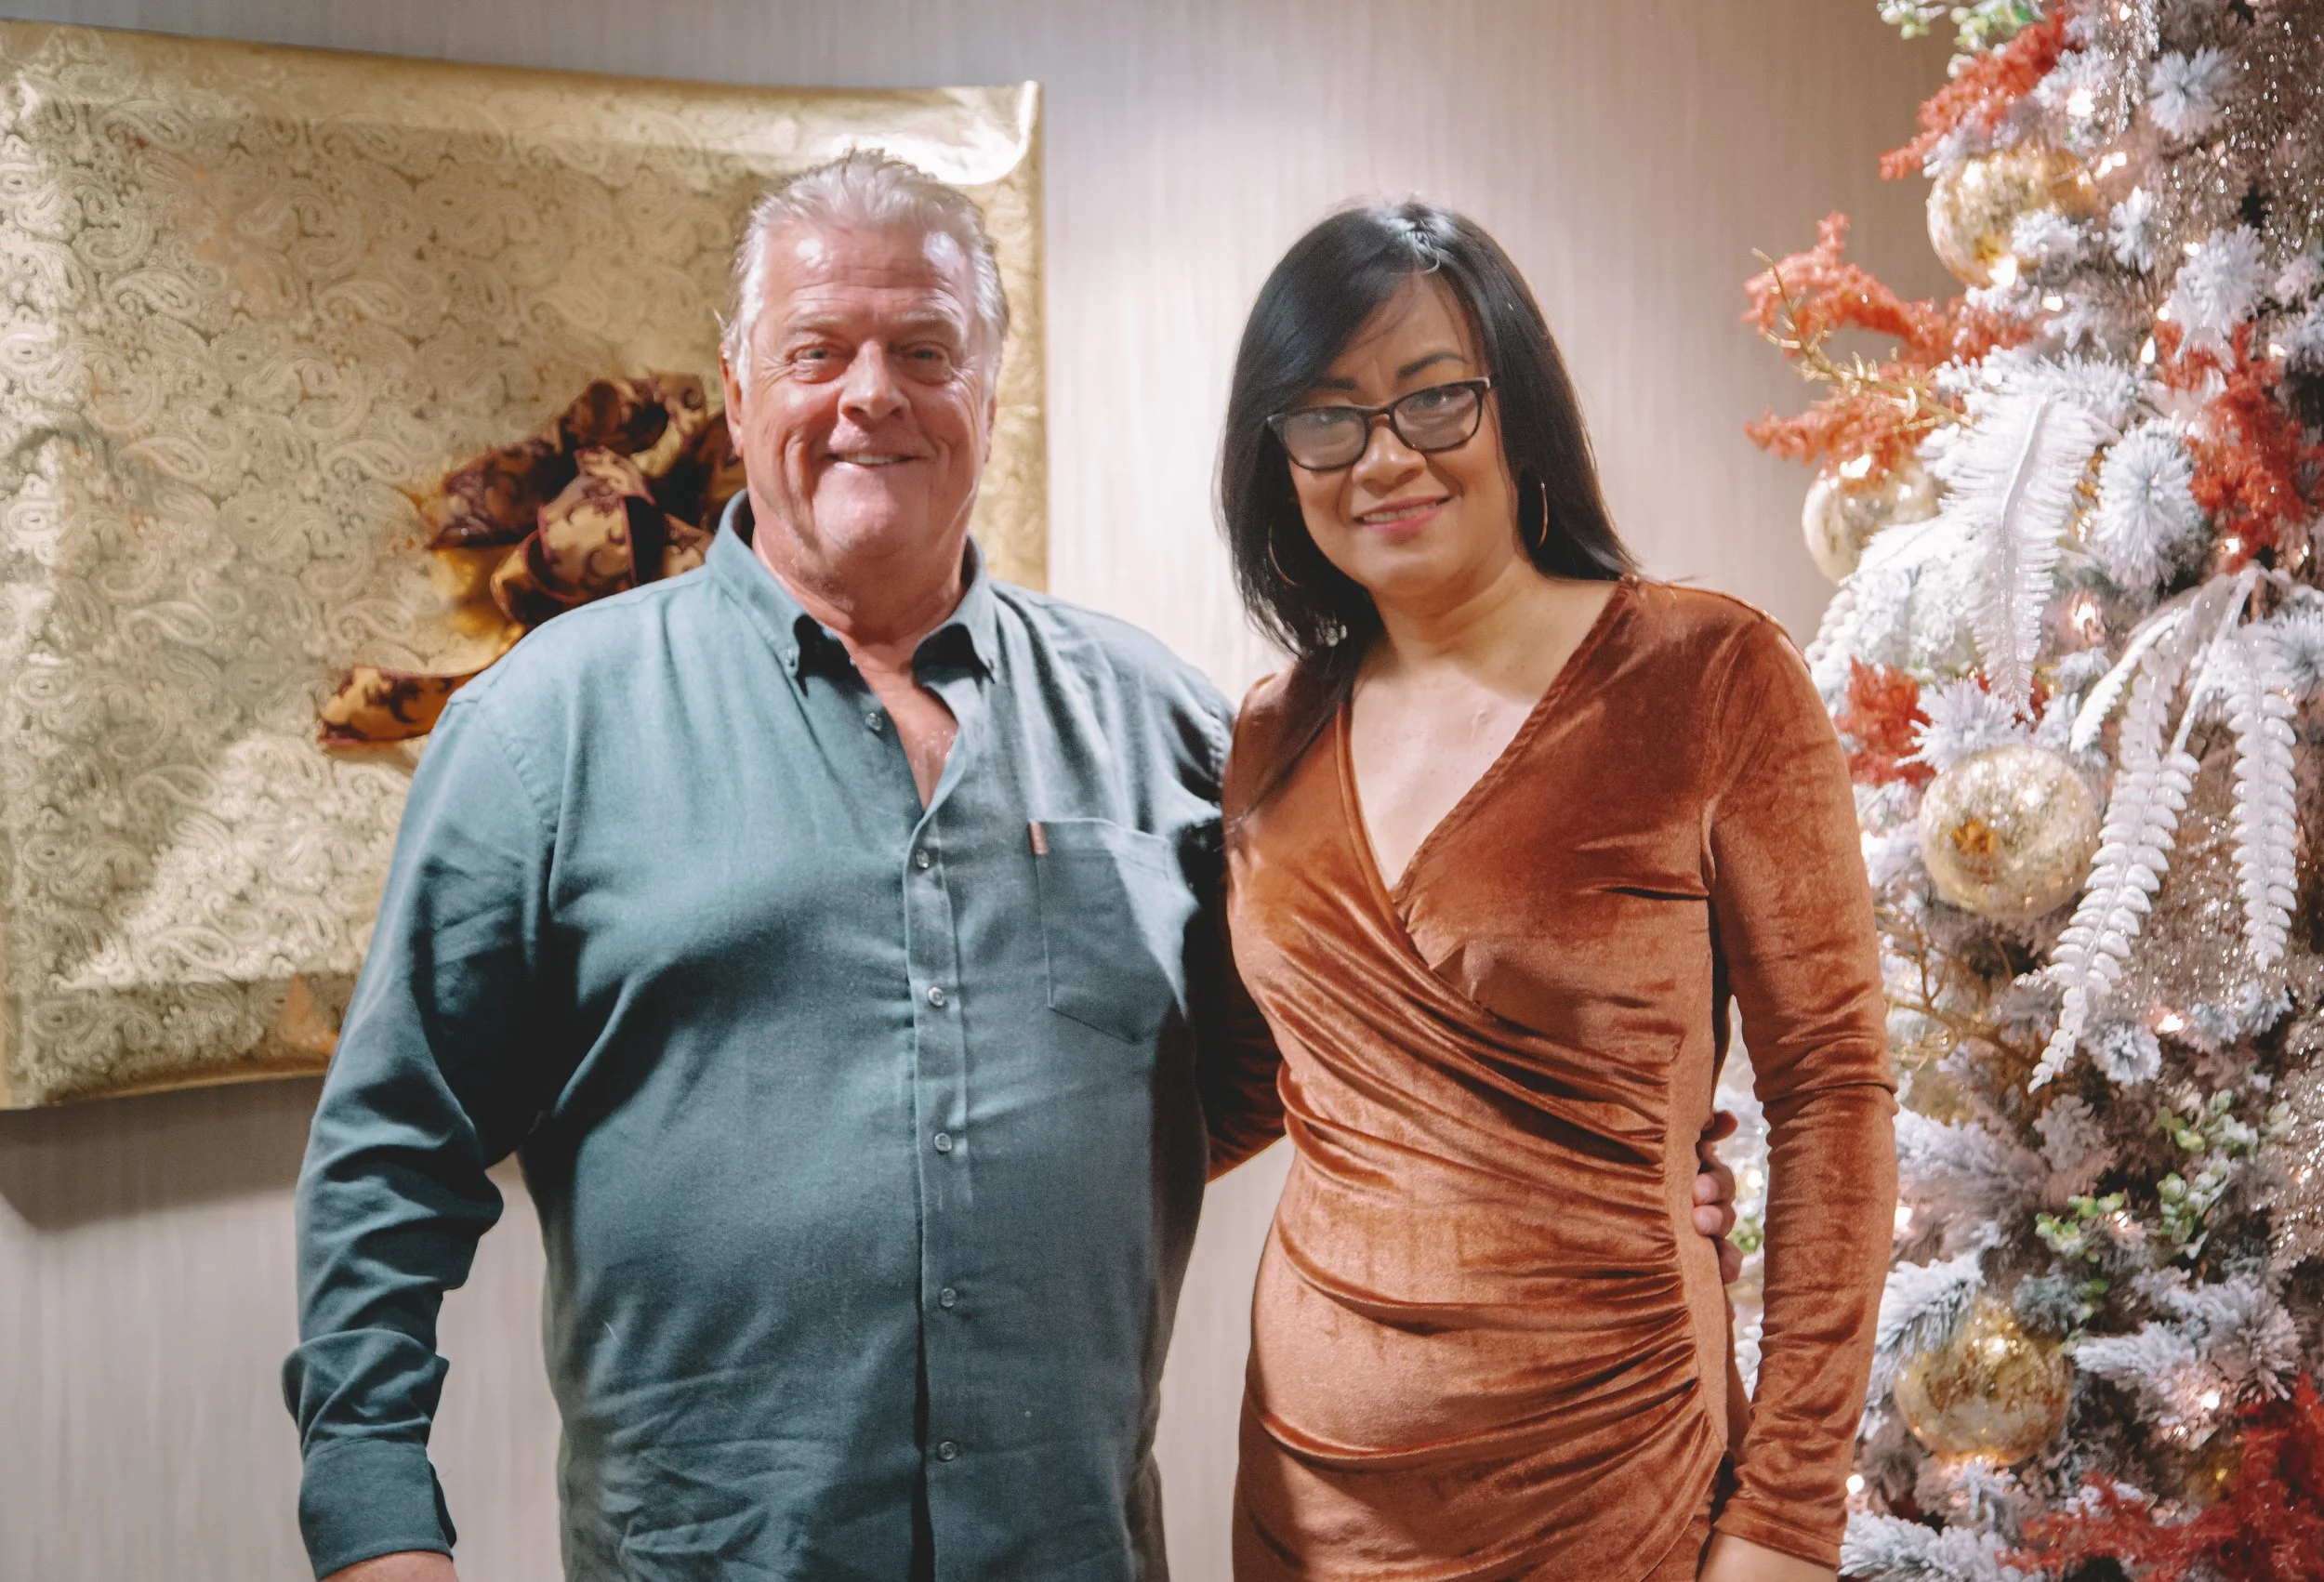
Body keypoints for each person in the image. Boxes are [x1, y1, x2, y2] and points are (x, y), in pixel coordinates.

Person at [282, 153, 1742, 1582]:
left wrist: (1586, 1170)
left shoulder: (1171, 728)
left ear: (987, 395)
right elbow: (389, 1154)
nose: (872, 394)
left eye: (926, 349)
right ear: (737, 392)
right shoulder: (543, 730)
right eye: (817, 350)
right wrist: (376, 1519)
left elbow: (1348, 1044)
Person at [1208, 203, 1896, 1582]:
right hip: (1310, 1506)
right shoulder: (1270, 733)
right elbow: (1247, 1086)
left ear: (1516, 407)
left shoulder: (1707, 676)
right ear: (1277, 459)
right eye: (1327, 418)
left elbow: (1832, 1089)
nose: (1384, 457)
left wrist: (1787, 1516)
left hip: (1616, 1487)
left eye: (1433, 398)